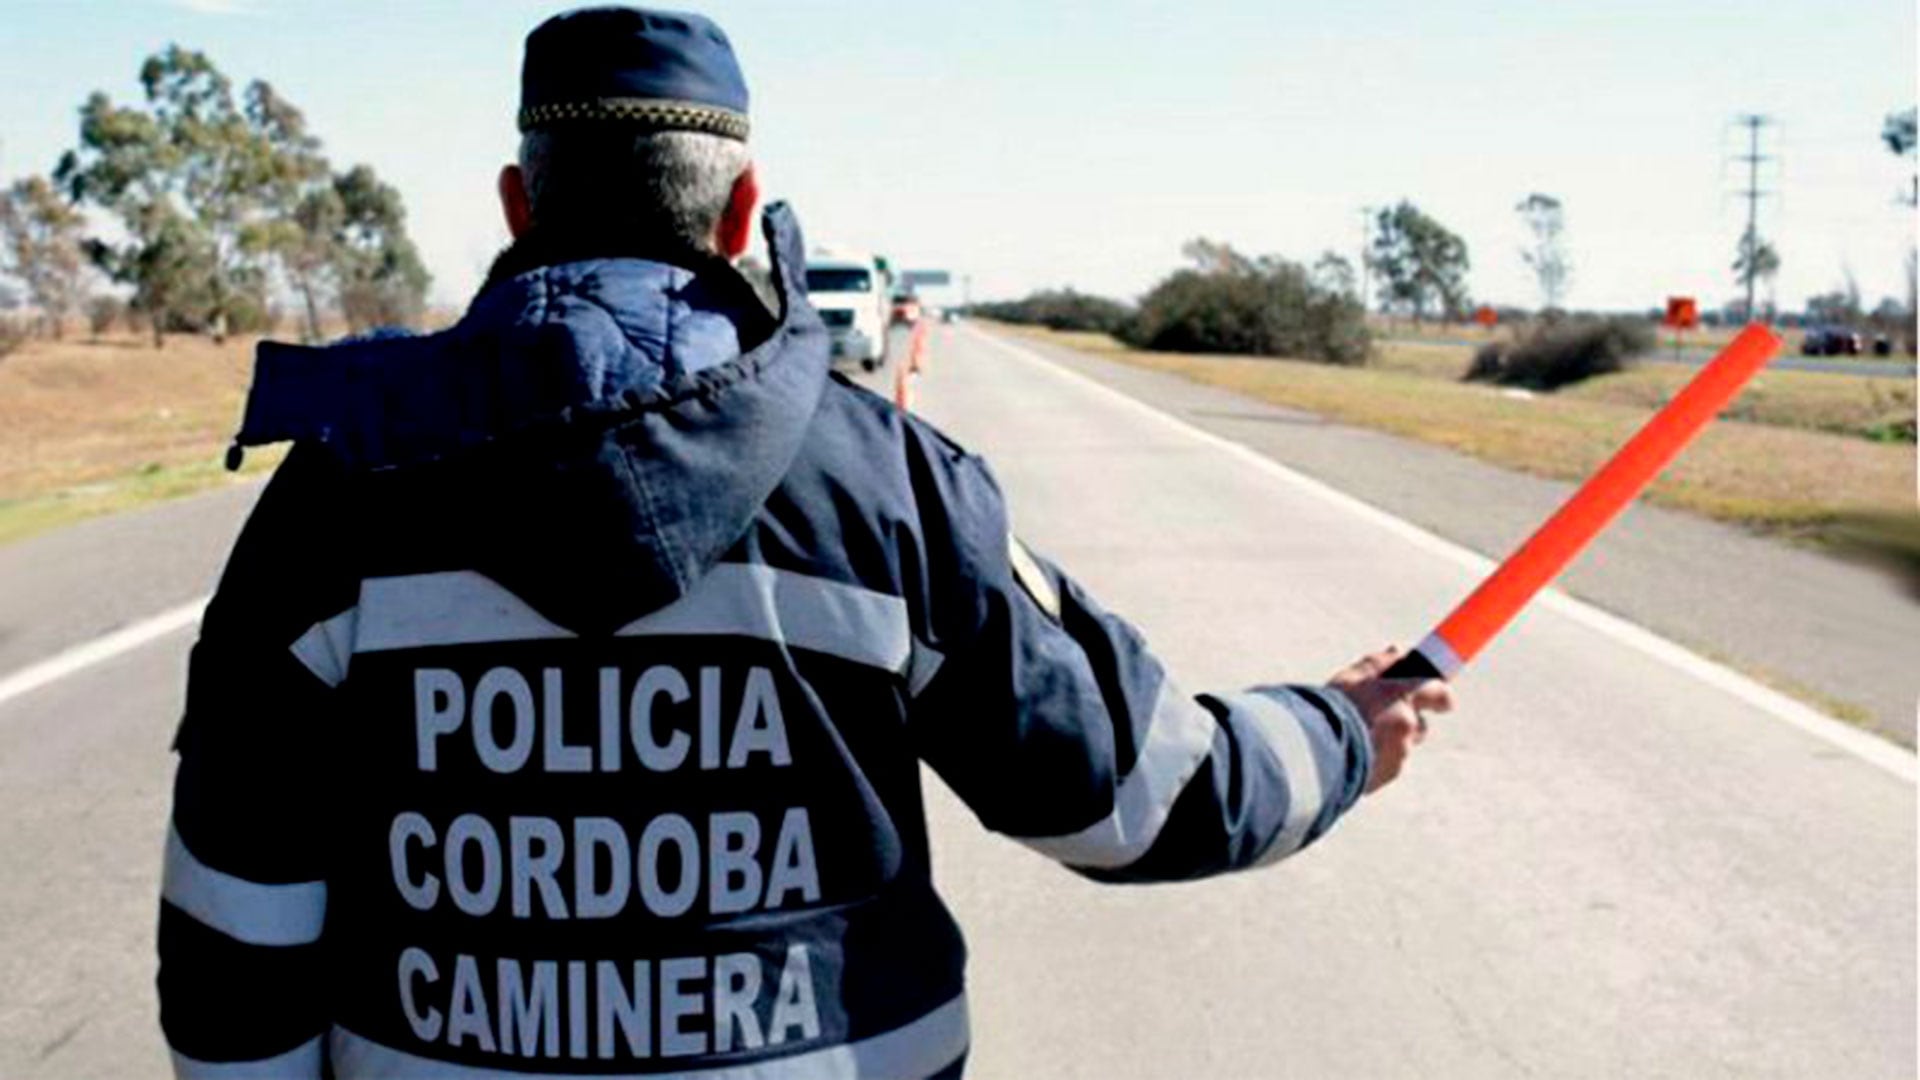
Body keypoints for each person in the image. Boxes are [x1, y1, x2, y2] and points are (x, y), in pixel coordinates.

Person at [156, 7, 1452, 1078]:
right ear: (743, 213)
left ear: (517, 205)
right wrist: (1340, 731)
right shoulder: (885, 483)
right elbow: (1137, 800)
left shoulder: (339, 491)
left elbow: (237, 930)